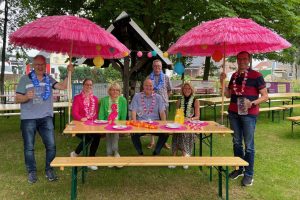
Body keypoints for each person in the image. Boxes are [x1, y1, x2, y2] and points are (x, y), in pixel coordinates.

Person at [16, 55, 74, 183]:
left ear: (45, 65)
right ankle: (31, 172)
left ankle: (49, 169)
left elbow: (63, 86)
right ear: (33, 65)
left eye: (42, 64)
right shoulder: (25, 79)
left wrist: (69, 72)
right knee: (29, 147)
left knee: (51, 145)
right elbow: (17, 98)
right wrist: (26, 97)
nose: (40, 66)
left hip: (46, 117)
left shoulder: (49, 79)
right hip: (28, 118)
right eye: (37, 64)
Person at [220, 51, 268, 186]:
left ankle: (249, 174)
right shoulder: (234, 76)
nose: (241, 61)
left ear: (249, 60)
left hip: (249, 115)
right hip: (234, 113)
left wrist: (252, 103)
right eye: (239, 59)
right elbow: (228, 95)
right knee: (236, 143)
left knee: (249, 146)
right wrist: (222, 81)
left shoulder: (257, 76)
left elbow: (265, 96)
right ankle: (239, 169)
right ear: (237, 60)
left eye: (244, 59)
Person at [130, 79, 169, 155]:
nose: (148, 87)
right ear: (143, 86)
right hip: (141, 124)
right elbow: (133, 111)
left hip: (155, 124)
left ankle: (156, 151)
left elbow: (162, 112)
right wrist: (134, 124)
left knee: (166, 134)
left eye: (150, 85)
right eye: (146, 85)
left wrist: (164, 124)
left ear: (153, 87)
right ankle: (140, 152)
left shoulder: (158, 97)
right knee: (133, 134)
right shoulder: (137, 96)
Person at [70, 79, 100, 171]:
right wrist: (81, 118)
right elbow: (74, 113)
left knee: (97, 136)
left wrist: (93, 121)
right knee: (88, 138)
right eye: (87, 85)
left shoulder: (95, 99)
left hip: (91, 125)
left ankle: (91, 160)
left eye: (90, 85)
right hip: (79, 125)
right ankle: (75, 153)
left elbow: (95, 113)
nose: (88, 86)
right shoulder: (77, 98)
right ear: (83, 86)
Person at [169, 82, 200, 169]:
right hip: (180, 123)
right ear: (182, 90)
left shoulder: (196, 100)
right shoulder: (179, 100)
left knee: (183, 133)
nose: (187, 90)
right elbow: (176, 114)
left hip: (191, 125)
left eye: (189, 88)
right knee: (176, 133)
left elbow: (197, 116)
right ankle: (174, 158)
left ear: (192, 90)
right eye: (185, 88)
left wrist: (190, 119)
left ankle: (185, 156)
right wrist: (179, 119)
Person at [99, 83, 127, 166]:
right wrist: (103, 123)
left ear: (119, 91)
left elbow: (123, 114)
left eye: (117, 90)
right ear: (109, 91)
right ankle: (109, 154)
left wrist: (122, 124)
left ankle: (115, 152)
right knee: (108, 136)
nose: (115, 91)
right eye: (113, 89)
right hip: (106, 122)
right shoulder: (104, 100)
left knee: (115, 135)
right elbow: (101, 114)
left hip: (118, 123)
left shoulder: (123, 100)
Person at [147, 59, 172, 149]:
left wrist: (165, 99)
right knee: (152, 122)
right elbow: (146, 90)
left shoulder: (166, 77)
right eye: (155, 66)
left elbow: (169, 90)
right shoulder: (149, 78)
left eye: (159, 66)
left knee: (163, 123)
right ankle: (152, 141)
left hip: (164, 104)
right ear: (153, 67)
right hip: (152, 104)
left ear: (161, 67)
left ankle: (163, 141)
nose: (157, 67)